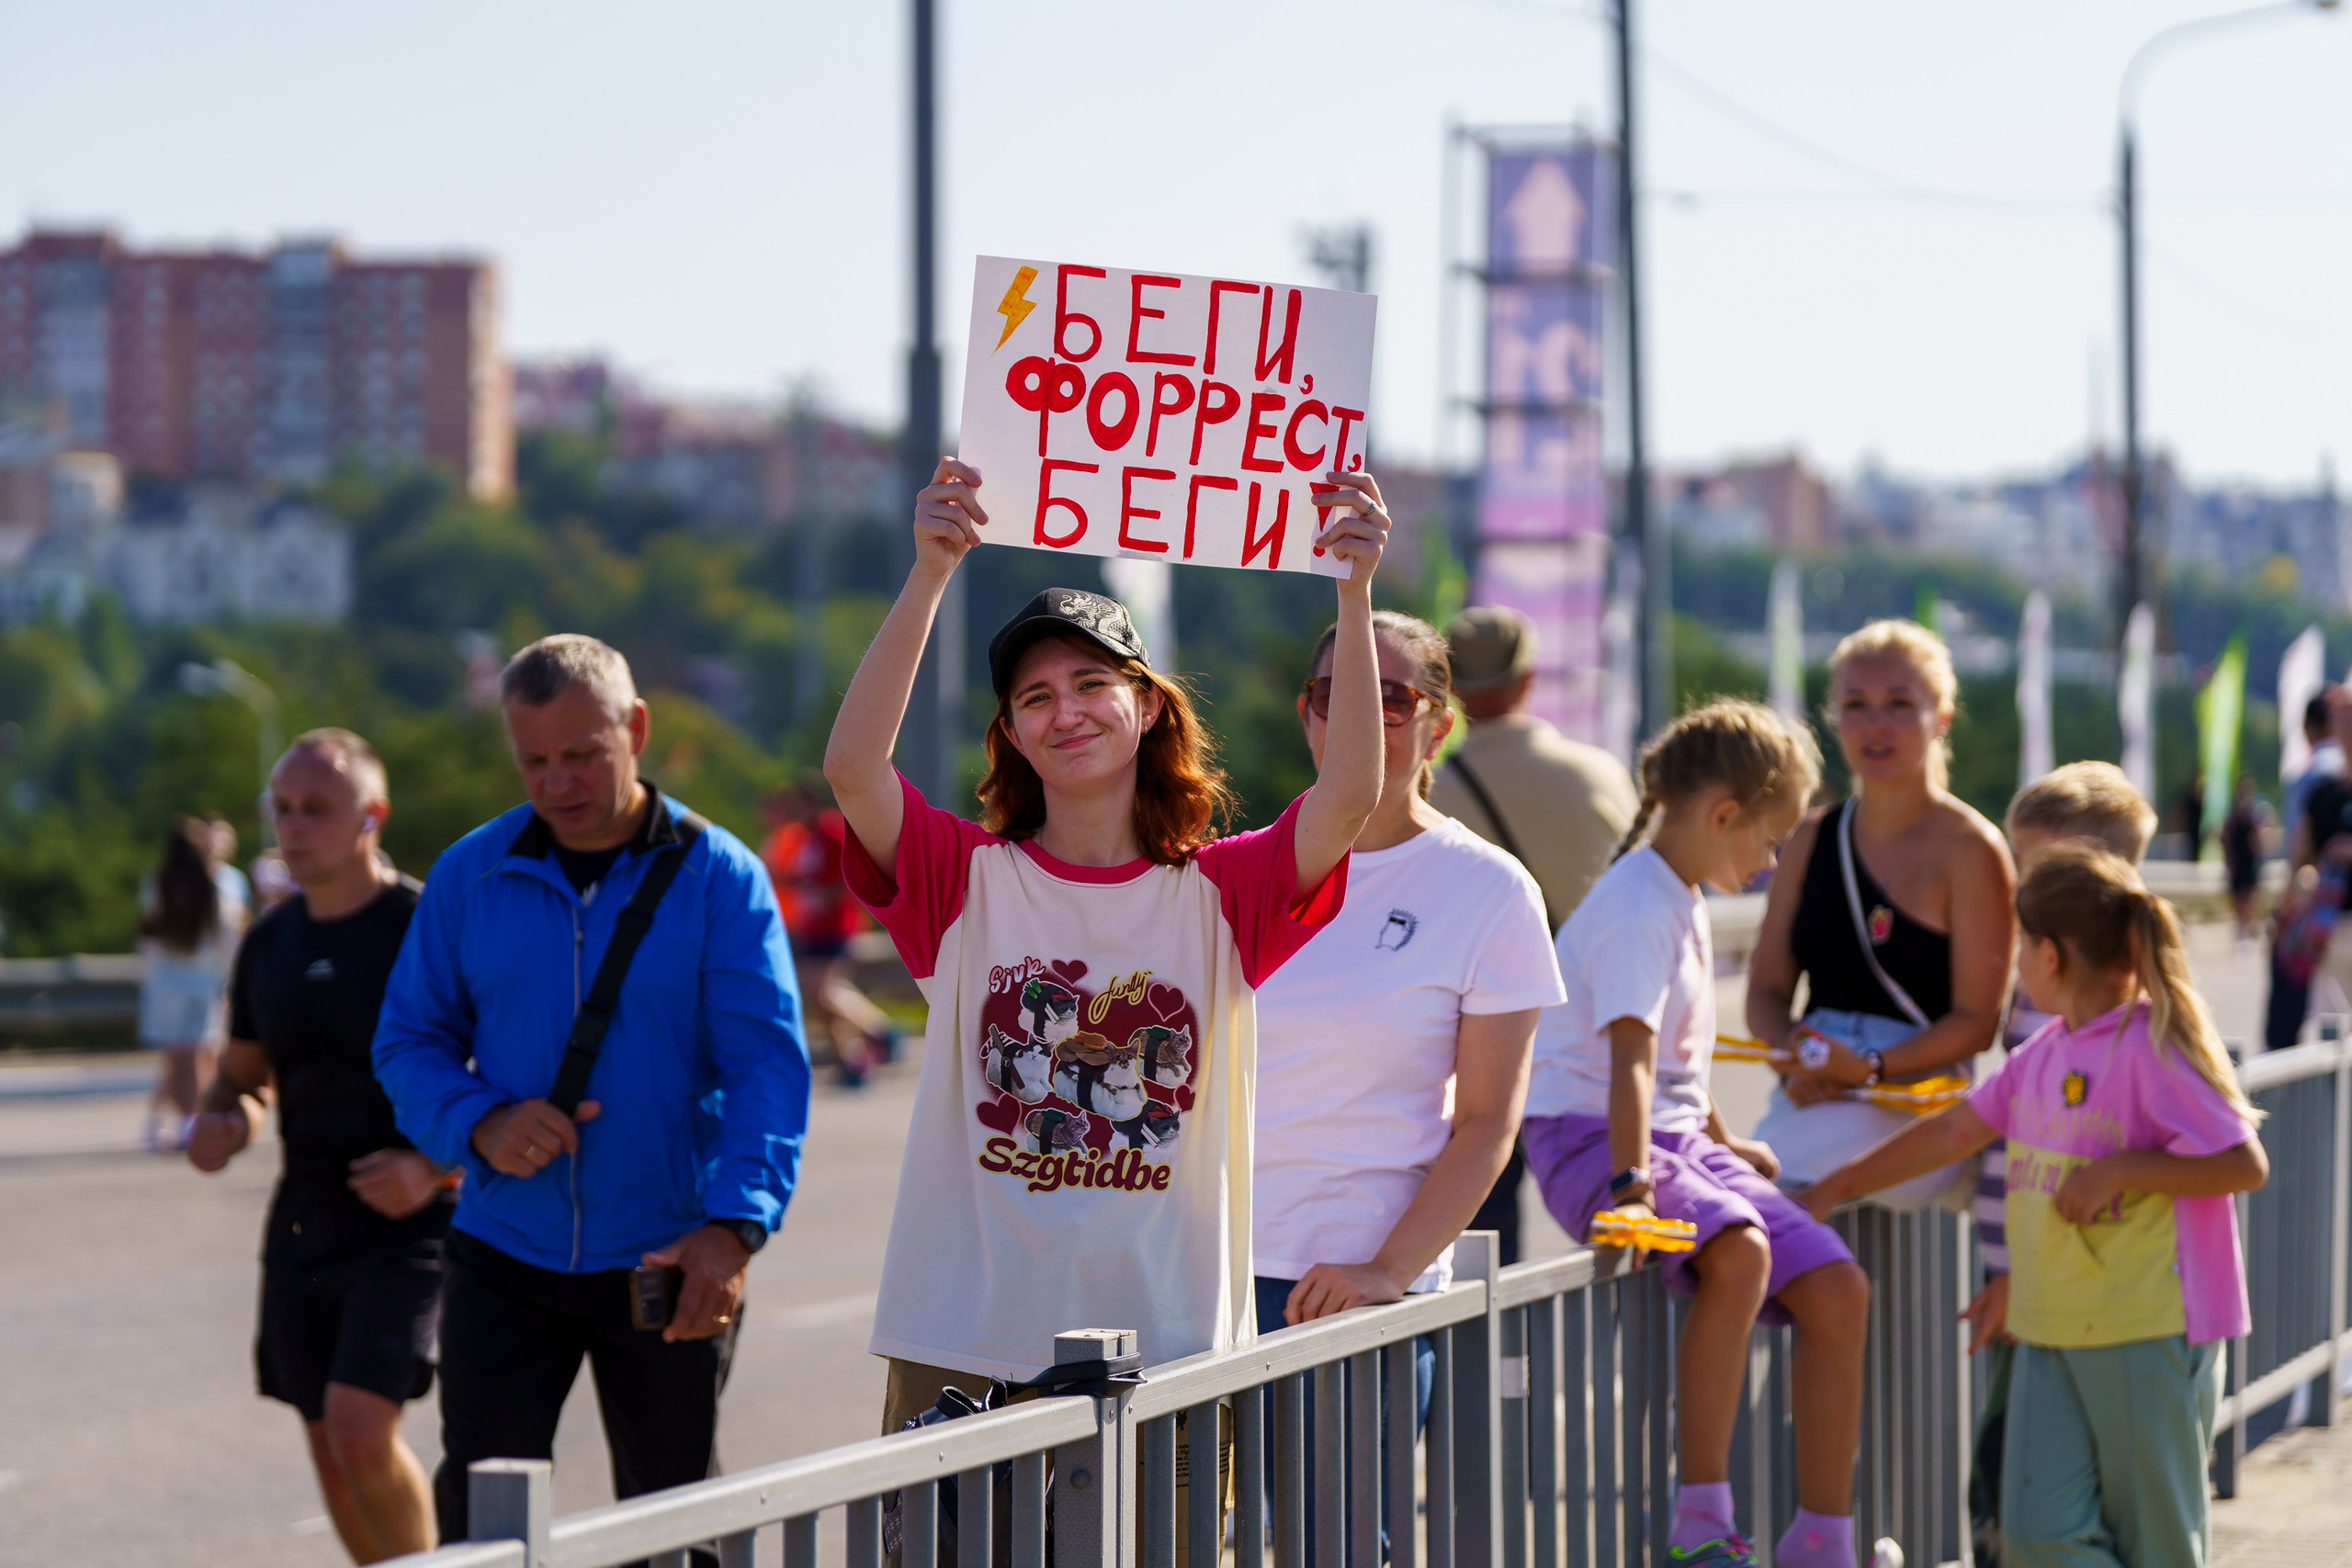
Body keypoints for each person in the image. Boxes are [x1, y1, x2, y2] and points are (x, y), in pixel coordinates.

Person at [825, 457, 1386, 1552]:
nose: (1064, 710)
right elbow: (854, 768)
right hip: (963, 1333)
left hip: (1164, 1344)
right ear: (1012, 737)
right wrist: (933, 573)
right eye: (1034, 696)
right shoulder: (963, 878)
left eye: (1092, 684)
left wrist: (1353, 591)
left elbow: (1351, 794)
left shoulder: (1225, 892)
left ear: (1146, 710)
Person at [372, 634, 811, 1547]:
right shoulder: (468, 874)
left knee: (673, 1525)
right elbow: (408, 1042)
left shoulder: (720, 877)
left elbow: (767, 1068)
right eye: (534, 760)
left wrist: (732, 1231)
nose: (557, 782)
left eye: (582, 755)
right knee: (484, 1532)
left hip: (668, 1257)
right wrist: (479, 1122)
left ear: (636, 729)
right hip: (504, 1251)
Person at [1802, 842, 2268, 1568]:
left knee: (2160, 1547)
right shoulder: (2043, 1053)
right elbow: (1956, 1129)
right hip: (2051, 1329)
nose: (2016, 959)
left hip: (2147, 1332)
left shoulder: (2153, 1046)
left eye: (2021, 943)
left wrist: (2120, 1169)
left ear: (2049, 955)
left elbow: (2244, 1162)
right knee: (2033, 1532)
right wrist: (1834, 1186)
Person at [1526, 698, 1873, 1568]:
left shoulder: (1676, 890)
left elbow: (1680, 1066)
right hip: (1594, 1141)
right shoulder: (1642, 908)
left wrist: (1723, 1138)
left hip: (1664, 1136)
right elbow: (1631, 1066)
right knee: (1743, 1251)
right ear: (1725, 815)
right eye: (1771, 837)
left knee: (1839, 1286)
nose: (1772, 858)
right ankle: (1701, 1526)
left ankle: (1822, 1541)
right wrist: (1632, 1182)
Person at [1251, 610, 1563, 1540]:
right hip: (1197, 1279)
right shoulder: (1238, 868)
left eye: (1388, 698)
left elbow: (1485, 1126)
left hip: (1341, 1286)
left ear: (1441, 722)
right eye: (1333, 695)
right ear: (1306, 717)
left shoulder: (1489, 890)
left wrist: (1387, 1268)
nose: (1358, 717)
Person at [185, 730, 447, 1563]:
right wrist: (226, 1120)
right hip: (305, 1218)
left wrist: (432, 1166)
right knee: (331, 1453)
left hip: (414, 1219)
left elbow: (506, 1074)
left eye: (317, 810)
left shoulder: (429, 925)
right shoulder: (270, 941)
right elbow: (245, 1078)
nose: (293, 828)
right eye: (283, 811)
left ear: (373, 816)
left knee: (361, 1427)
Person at [1747, 618, 2016, 1207]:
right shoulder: (1812, 836)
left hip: (1914, 1109)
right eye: (1855, 705)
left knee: (1745, 1201)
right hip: (1813, 1091)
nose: (1876, 724)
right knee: (1734, 1195)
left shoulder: (1973, 848)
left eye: (1899, 704)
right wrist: (1798, 1055)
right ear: (1833, 718)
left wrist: (1867, 1067)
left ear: (1940, 719)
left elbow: (1976, 1021)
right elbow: (1765, 991)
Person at [1964, 762, 2156, 1567]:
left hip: (2060, 1291)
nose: (2022, 891)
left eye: (2043, 870)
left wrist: (2019, 1277)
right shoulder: (2036, 978)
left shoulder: (2108, 1012)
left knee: (2025, 1499)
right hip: (2020, 1277)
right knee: (2007, 1486)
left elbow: (2076, 1158)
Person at [1428, 604, 1639, 1262]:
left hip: (1478, 1033)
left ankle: (1489, 1361)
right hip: (1597, 1027)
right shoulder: (1598, 773)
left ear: (1454, 692)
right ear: (1528, 679)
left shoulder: (1431, 792)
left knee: (1484, 1213)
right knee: (1624, 1205)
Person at [763, 778, 895, 1086]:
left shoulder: (832, 831)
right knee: (816, 995)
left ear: (810, 803)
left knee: (821, 991)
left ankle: (879, 1030)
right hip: (811, 926)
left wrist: (829, 894)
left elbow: (851, 874)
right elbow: (800, 877)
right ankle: (850, 1062)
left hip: (836, 925)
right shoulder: (802, 838)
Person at [139, 817, 234, 1151]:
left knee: (176, 1057)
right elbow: (225, 934)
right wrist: (226, 975)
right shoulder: (210, 883)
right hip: (201, 978)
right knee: (197, 1054)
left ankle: (182, 1122)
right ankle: (191, 1123)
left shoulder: (158, 883)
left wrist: (149, 975)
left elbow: (148, 935)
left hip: (166, 981)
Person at [2219, 773, 2269, 948]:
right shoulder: (2232, 814)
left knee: (2249, 899)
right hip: (2237, 862)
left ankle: (2247, 930)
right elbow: (2225, 837)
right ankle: (2241, 930)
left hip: (2249, 862)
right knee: (2238, 899)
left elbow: (2261, 839)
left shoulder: (2255, 813)